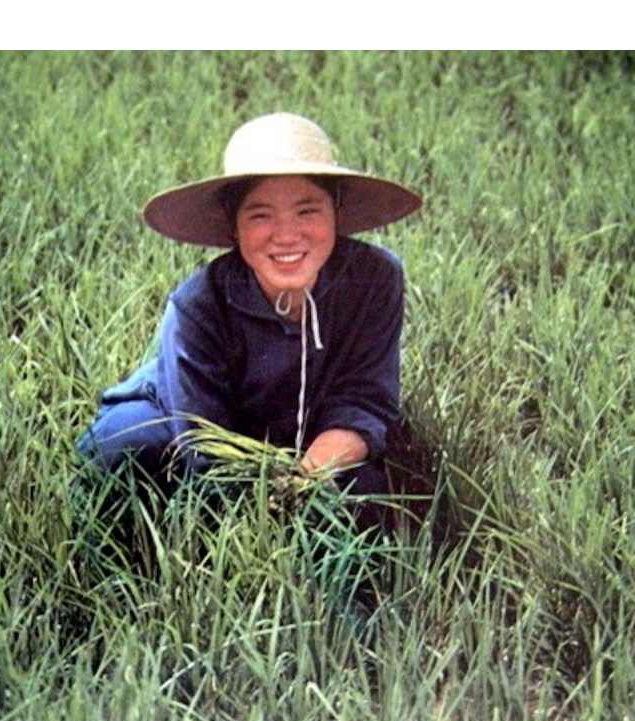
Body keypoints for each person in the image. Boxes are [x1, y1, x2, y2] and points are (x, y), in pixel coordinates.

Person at [75, 111, 422, 539]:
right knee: (125, 448)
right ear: (234, 227)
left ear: (336, 213)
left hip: (310, 431)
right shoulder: (197, 305)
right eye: (260, 215)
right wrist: (254, 511)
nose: (286, 235)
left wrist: (305, 482)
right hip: (192, 419)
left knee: (364, 503)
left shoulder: (375, 278)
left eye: (307, 210)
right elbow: (202, 442)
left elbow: (364, 399)